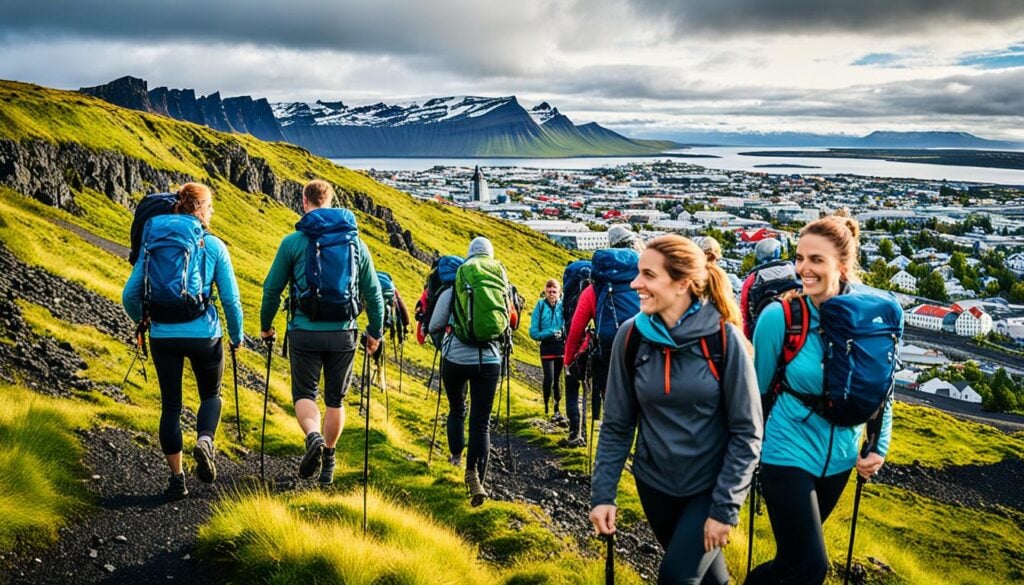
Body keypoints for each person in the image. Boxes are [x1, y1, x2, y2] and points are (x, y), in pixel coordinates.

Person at [589, 234, 762, 585]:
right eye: (638, 273)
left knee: (675, 577)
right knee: (709, 579)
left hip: (709, 488)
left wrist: (724, 508)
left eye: (649, 275)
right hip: (654, 486)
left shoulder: (724, 340)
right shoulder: (631, 337)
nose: (635, 283)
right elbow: (617, 424)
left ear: (682, 283)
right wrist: (603, 494)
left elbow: (747, 432)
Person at [745, 215, 893, 585]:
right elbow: (756, 394)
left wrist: (879, 445)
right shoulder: (779, 318)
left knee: (791, 561)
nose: (803, 269)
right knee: (813, 565)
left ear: (842, 267)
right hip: (785, 451)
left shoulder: (871, 319)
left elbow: (884, 387)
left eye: (816, 260)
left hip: (841, 457)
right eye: (799, 258)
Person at [122, 182, 244, 500]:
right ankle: (204, 441)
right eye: (210, 207)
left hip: (163, 335)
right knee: (211, 396)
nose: (212, 212)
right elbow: (231, 300)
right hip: (205, 336)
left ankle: (177, 480)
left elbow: (129, 295)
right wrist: (237, 336)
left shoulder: (154, 241)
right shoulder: (214, 246)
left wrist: (143, 319)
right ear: (200, 209)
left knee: (171, 407)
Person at [260, 179, 384, 486]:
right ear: (331, 201)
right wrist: (375, 332)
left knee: (304, 394)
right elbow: (374, 294)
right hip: (344, 332)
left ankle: (312, 436)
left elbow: (272, 289)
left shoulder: (293, 242)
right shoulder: (355, 243)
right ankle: (329, 459)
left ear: (305, 203)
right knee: (335, 400)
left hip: (304, 330)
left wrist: (266, 326)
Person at [428, 237, 518, 507]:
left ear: (468, 257)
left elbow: (435, 324)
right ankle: (476, 475)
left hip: (455, 358)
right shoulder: (501, 283)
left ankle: (456, 458)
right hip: (490, 361)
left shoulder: (456, 282)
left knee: (457, 409)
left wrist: (444, 347)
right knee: (481, 421)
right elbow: (510, 322)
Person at [563, 224, 643, 426]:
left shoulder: (595, 289)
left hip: (608, 355)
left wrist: (568, 360)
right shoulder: (646, 281)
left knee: (614, 415)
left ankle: (616, 449)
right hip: (643, 351)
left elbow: (576, 330)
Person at [739, 238, 799, 340]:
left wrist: (747, 338)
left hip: (762, 325)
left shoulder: (753, 277)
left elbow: (744, 311)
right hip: (794, 323)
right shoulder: (793, 270)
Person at [529, 279, 565, 421]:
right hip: (546, 347)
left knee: (557, 379)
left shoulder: (562, 306)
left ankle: (556, 407)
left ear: (559, 292)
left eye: (554, 292)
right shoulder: (540, 306)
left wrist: (561, 331)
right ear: (545, 291)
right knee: (548, 378)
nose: (551, 294)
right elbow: (534, 332)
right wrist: (550, 332)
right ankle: (545, 404)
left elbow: (566, 325)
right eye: (549, 291)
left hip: (560, 347)